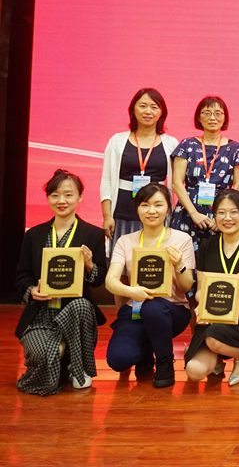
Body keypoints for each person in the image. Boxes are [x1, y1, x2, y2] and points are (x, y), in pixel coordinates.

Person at [15, 170, 108, 395]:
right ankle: (62, 357)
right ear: (48, 198)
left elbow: (99, 279)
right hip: (41, 313)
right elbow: (22, 275)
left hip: (75, 315)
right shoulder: (34, 235)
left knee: (81, 305)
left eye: (68, 194)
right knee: (44, 355)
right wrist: (32, 290)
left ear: (80, 196)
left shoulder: (93, 234)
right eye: (55, 195)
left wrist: (89, 266)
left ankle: (79, 369)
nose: (61, 201)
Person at [104, 184, 195, 388]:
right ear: (137, 209)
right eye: (145, 205)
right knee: (118, 359)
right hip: (135, 309)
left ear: (168, 208)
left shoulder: (182, 239)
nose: (151, 211)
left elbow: (186, 286)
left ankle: (164, 362)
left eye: (158, 205)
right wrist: (131, 292)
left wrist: (179, 265)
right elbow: (111, 281)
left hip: (172, 311)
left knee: (153, 307)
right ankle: (145, 352)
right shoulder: (125, 241)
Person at [184, 190, 239, 387]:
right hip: (214, 314)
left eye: (234, 212)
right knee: (194, 371)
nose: (227, 218)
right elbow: (200, 291)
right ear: (214, 215)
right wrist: (202, 304)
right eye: (221, 213)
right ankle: (218, 357)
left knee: (213, 339)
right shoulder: (207, 246)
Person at [100, 88, 178, 251]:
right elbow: (106, 180)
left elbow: (176, 183)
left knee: (152, 259)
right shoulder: (117, 141)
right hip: (122, 212)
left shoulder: (171, 144)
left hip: (156, 213)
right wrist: (107, 216)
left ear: (161, 112)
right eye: (143, 106)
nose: (148, 111)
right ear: (133, 110)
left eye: (154, 107)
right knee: (122, 259)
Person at [171, 96, 239, 251]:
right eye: (206, 113)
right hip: (188, 212)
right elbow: (177, 182)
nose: (212, 117)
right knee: (183, 258)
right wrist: (194, 213)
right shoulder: (187, 144)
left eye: (218, 113)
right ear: (199, 117)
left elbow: (238, 185)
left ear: (224, 117)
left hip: (222, 215)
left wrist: (222, 217)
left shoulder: (236, 148)